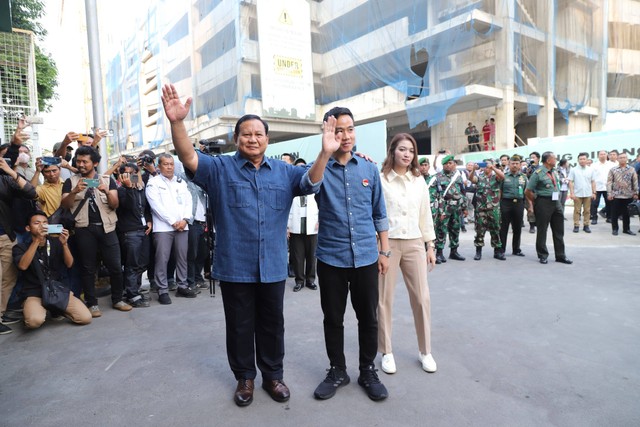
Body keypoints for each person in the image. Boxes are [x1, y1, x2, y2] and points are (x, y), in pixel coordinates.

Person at [161, 83, 334, 407]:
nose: (252, 139)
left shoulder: (283, 171)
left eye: (258, 134)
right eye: (246, 134)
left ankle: (272, 376)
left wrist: (325, 152)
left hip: (271, 265)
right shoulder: (220, 168)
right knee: (239, 326)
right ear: (236, 139)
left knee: (272, 324)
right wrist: (177, 123)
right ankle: (245, 379)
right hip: (235, 264)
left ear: (267, 140)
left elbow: (310, 183)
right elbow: (188, 156)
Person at [312, 106, 390, 402]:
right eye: (337, 130)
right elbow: (308, 186)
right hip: (331, 258)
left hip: (367, 258)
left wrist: (385, 250)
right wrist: (324, 152)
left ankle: (367, 369)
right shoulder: (319, 166)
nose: (345, 136)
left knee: (368, 318)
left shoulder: (368, 168)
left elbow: (379, 213)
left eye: (350, 129)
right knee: (333, 318)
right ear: (327, 132)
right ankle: (337, 370)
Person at [377, 133, 437, 376]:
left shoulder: (418, 180)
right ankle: (387, 351)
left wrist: (430, 244)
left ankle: (426, 351)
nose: (406, 154)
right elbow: (375, 214)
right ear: (392, 151)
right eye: (402, 149)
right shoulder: (381, 179)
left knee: (422, 298)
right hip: (387, 243)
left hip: (413, 242)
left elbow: (425, 213)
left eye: (410, 151)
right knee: (384, 299)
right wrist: (379, 248)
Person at [60, 146, 132, 317]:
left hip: (107, 228)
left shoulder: (107, 180)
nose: (81, 164)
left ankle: (117, 299)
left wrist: (106, 191)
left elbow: (115, 204)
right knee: (88, 268)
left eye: (85, 161)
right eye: (78, 161)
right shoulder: (70, 182)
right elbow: (65, 205)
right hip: (84, 229)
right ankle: (92, 304)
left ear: (95, 163)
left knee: (115, 266)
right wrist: (75, 191)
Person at [12, 211, 92, 329]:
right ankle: (35, 308)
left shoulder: (55, 242)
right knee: (34, 321)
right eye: (37, 223)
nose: (42, 226)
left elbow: (69, 264)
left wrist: (64, 244)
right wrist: (37, 241)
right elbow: (23, 266)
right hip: (34, 293)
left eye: (45, 222)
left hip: (56, 290)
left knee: (85, 318)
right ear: (28, 228)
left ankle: (56, 308)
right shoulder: (20, 247)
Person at [145, 154, 197, 304]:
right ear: (159, 167)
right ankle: (162, 289)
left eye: (171, 164)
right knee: (162, 258)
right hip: (163, 228)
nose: (169, 167)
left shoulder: (180, 182)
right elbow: (156, 206)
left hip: (182, 226)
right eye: (166, 164)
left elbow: (189, 200)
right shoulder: (153, 183)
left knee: (182, 258)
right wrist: (173, 222)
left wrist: (186, 219)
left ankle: (182, 286)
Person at [0, 157, 37, 335]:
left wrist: (10, 171)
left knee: (8, 278)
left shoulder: (5, 179)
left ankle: (0, 314)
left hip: (6, 236)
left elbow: (31, 192)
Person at [525, 151, 572, 265]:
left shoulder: (554, 171)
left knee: (559, 230)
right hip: (543, 202)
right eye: (554, 158)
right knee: (542, 230)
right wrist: (536, 200)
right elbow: (528, 191)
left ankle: (560, 255)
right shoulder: (538, 173)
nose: (556, 160)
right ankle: (542, 255)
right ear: (548, 160)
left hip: (556, 203)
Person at [116, 163, 152, 308]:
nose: (129, 176)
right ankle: (132, 295)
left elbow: (146, 208)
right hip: (129, 232)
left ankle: (134, 290)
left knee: (142, 263)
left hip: (143, 230)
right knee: (131, 264)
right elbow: (129, 206)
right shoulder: (121, 191)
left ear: (138, 173)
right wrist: (129, 187)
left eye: (132, 173)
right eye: (125, 174)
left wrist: (149, 220)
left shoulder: (142, 189)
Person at [287, 159, 319, 292]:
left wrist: (320, 219)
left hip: (312, 226)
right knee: (298, 256)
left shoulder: (315, 184)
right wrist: (286, 226)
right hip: (295, 227)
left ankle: (310, 280)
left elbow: (322, 204)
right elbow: (286, 208)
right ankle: (299, 281)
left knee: (312, 256)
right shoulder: (290, 186)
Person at [469, 159, 505, 260]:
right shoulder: (480, 177)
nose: (486, 167)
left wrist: (493, 167)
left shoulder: (495, 177)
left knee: (496, 230)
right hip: (481, 209)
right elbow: (471, 179)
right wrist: (473, 170)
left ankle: (497, 251)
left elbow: (503, 176)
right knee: (480, 230)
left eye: (487, 165)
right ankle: (478, 251)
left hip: (494, 209)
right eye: (485, 165)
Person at [433, 155, 467, 263]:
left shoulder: (458, 176)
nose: (448, 165)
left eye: (450, 163)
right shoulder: (437, 177)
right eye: (446, 163)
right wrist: (438, 210)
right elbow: (434, 195)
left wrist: (464, 207)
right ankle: (439, 253)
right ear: (443, 165)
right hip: (444, 208)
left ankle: (454, 251)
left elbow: (462, 192)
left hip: (456, 207)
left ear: (454, 164)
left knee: (455, 229)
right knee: (441, 230)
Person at [499, 155, 527, 256]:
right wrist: (498, 205)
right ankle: (501, 250)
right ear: (509, 164)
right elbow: (500, 191)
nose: (514, 165)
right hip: (506, 203)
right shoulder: (504, 176)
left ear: (520, 165)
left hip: (519, 204)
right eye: (512, 163)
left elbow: (526, 192)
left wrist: (529, 206)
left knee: (517, 228)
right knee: (503, 227)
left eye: (517, 164)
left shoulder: (523, 177)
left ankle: (516, 249)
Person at [607, 153, 639, 236]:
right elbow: (609, 182)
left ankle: (626, 229)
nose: (622, 159)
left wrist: (636, 193)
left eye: (624, 157)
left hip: (628, 195)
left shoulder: (632, 169)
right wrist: (609, 193)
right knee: (614, 213)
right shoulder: (613, 169)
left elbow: (635, 181)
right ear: (618, 159)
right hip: (616, 195)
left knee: (627, 214)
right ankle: (615, 229)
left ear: (627, 159)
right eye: (620, 157)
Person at [568, 153, 595, 233]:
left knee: (587, 210)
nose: (582, 160)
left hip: (588, 193)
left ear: (587, 160)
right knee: (577, 211)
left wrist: (594, 192)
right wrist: (572, 193)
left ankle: (586, 226)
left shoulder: (591, 170)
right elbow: (570, 182)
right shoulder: (573, 170)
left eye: (584, 159)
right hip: (577, 194)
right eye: (581, 159)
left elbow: (593, 181)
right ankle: (576, 225)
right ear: (578, 160)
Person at [590, 150, 614, 224]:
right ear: (598, 156)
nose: (603, 155)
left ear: (607, 155)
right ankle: (594, 218)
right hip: (596, 187)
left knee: (609, 203)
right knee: (594, 204)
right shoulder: (594, 165)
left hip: (608, 187)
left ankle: (609, 217)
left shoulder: (612, 165)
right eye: (601, 154)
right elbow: (591, 177)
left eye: (604, 154)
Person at [525, 151, 541, 233]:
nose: (532, 159)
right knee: (530, 208)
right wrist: (528, 169)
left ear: (538, 158)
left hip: (539, 191)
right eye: (531, 157)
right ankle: (532, 226)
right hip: (529, 191)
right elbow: (525, 176)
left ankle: (537, 223)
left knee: (539, 209)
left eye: (534, 157)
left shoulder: (541, 168)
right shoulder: (527, 167)